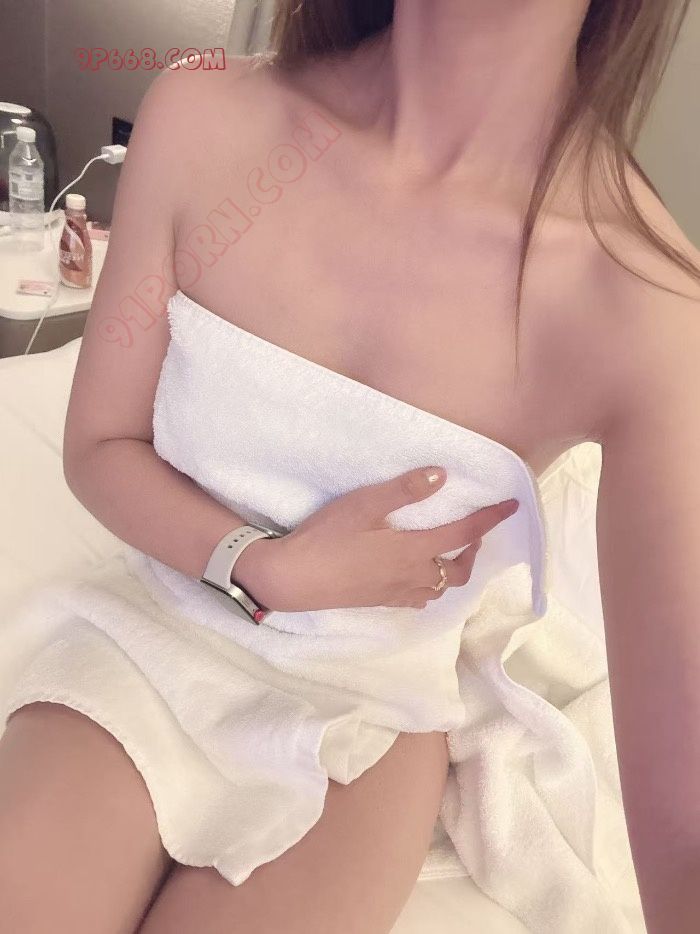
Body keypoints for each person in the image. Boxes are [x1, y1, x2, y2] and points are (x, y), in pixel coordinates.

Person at [1, 1, 699, 932]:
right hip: (156, 631)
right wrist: (261, 567)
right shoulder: (203, 116)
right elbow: (99, 447)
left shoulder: (642, 302)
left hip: (370, 720)